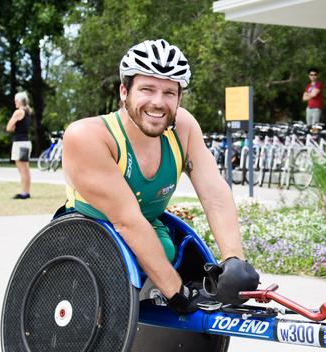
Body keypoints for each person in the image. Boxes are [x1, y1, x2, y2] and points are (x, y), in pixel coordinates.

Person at [62, 39, 259, 314]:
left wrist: (234, 260)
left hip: (150, 231)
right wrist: (176, 292)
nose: (158, 102)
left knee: (169, 251)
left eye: (169, 92)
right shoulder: (88, 136)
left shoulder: (184, 127)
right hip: (89, 243)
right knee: (151, 260)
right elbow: (126, 221)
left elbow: (213, 191)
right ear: (124, 91)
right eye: (147, 89)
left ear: (179, 98)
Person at [6, 91, 32, 199]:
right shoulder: (28, 111)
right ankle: (26, 192)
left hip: (19, 143)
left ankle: (24, 193)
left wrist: (14, 127)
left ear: (19, 101)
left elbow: (9, 127)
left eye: (16, 101)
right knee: (26, 169)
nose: (15, 103)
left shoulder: (18, 112)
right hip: (26, 142)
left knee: (22, 170)